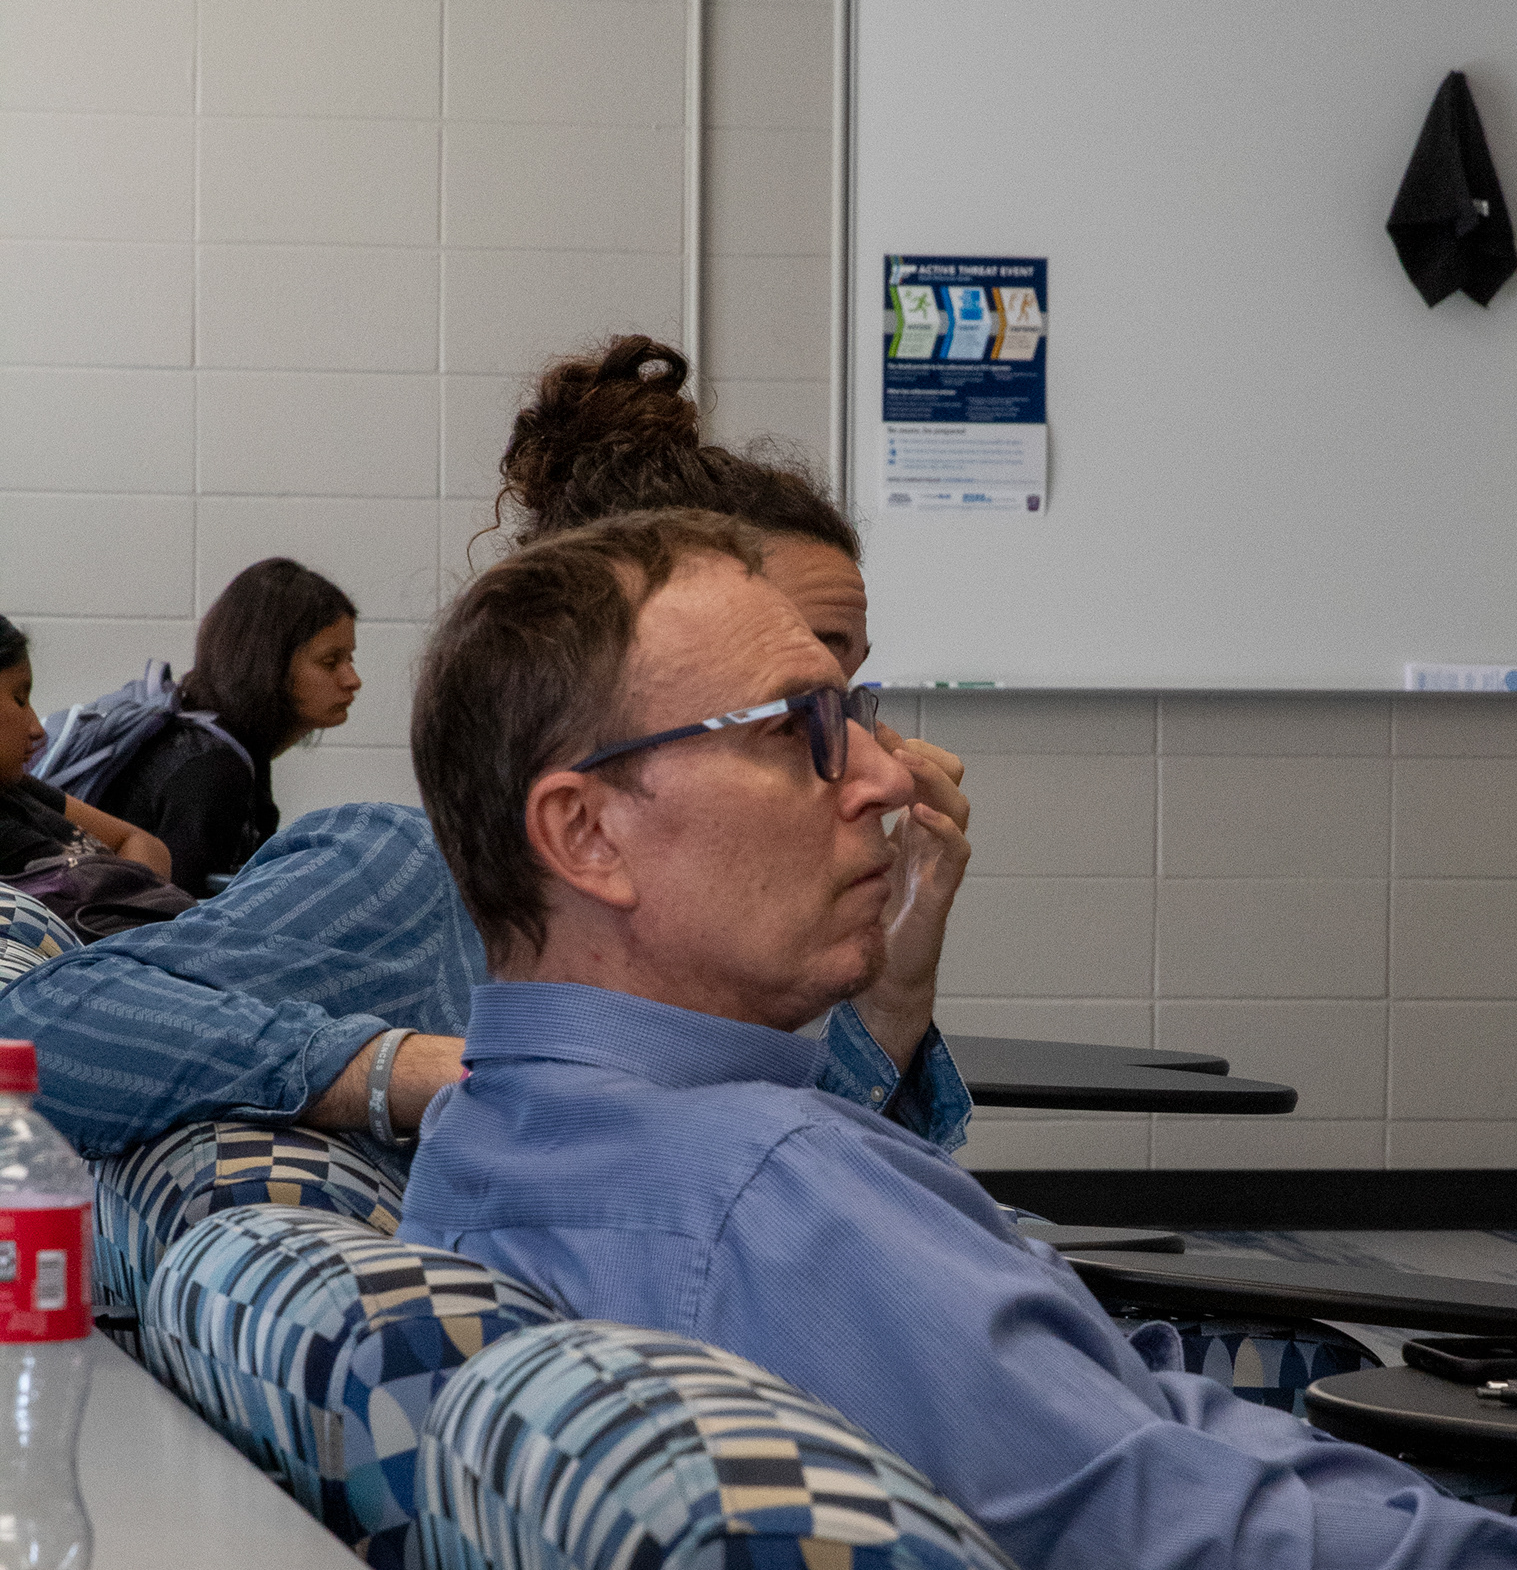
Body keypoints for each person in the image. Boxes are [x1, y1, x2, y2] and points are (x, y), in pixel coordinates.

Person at [399, 508, 1517, 1570]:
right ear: (586, 835)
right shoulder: (772, 1190)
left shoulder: (493, 1133)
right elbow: (1180, 1565)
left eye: (857, 713)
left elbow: (1131, 1455)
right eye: (801, 733)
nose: (885, 777)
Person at [1, 359, 971, 1160]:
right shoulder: (412, 874)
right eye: (793, 707)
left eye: (849, 693)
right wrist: (417, 1071)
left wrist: (892, 991)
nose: (880, 765)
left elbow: (806, 1200)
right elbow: (38, 1036)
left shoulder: (729, 939)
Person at [87, 560, 361, 898]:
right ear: (267, 663)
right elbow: (181, 917)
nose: (353, 680)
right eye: (330, 662)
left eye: (351, 659)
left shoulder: (215, 743)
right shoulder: (213, 770)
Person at [0, 617, 188, 933]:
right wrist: (136, 902)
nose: (37, 729)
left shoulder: (17, 786)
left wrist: (134, 904)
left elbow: (140, 841)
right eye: (19, 700)